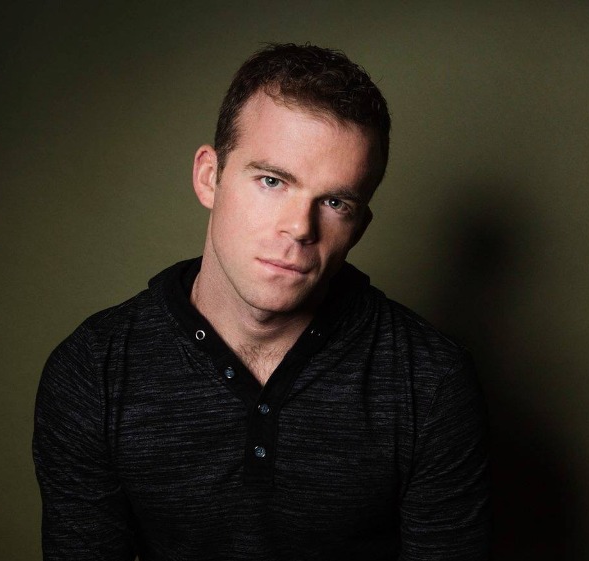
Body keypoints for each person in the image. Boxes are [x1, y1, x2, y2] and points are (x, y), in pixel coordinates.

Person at [33, 43, 489, 560]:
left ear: (359, 226)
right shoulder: (93, 370)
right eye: (272, 181)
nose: (299, 228)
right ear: (209, 177)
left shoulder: (429, 380)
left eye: (334, 202)